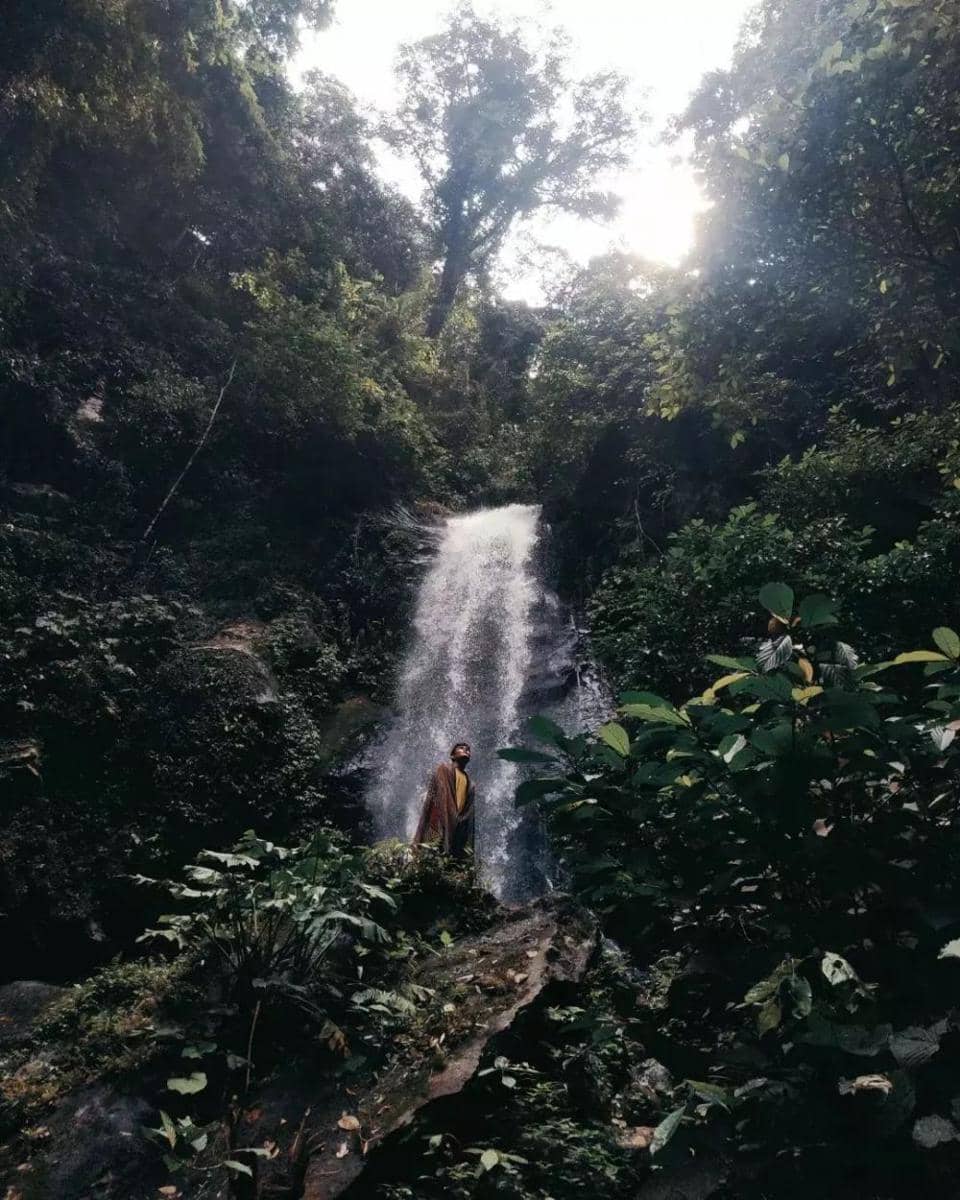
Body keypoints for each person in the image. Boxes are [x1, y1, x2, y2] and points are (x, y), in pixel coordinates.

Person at [412, 741, 476, 859]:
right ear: (452, 755)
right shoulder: (443, 769)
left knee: (452, 860)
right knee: (432, 855)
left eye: (468, 749)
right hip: (438, 824)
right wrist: (419, 836)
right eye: (461, 748)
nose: (466, 750)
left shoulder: (471, 784)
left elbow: (469, 815)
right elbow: (431, 799)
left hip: (457, 829)